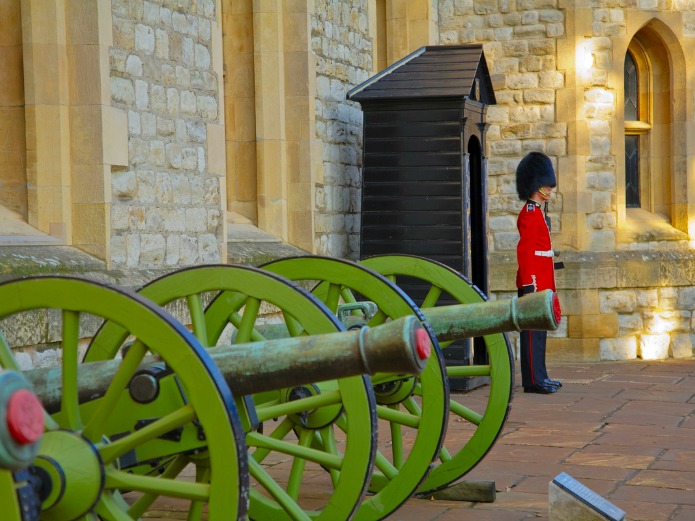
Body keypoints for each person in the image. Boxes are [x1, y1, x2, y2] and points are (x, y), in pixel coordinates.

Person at [515, 151, 563, 394]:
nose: (550, 190)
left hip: (543, 280)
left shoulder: (539, 213)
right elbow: (525, 252)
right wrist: (530, 285)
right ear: (537, 186)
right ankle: (533, 380)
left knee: (540, 332)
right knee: (532, 333)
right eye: (547, 186)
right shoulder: (529, 214)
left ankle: (541, 376)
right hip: (534, 282)